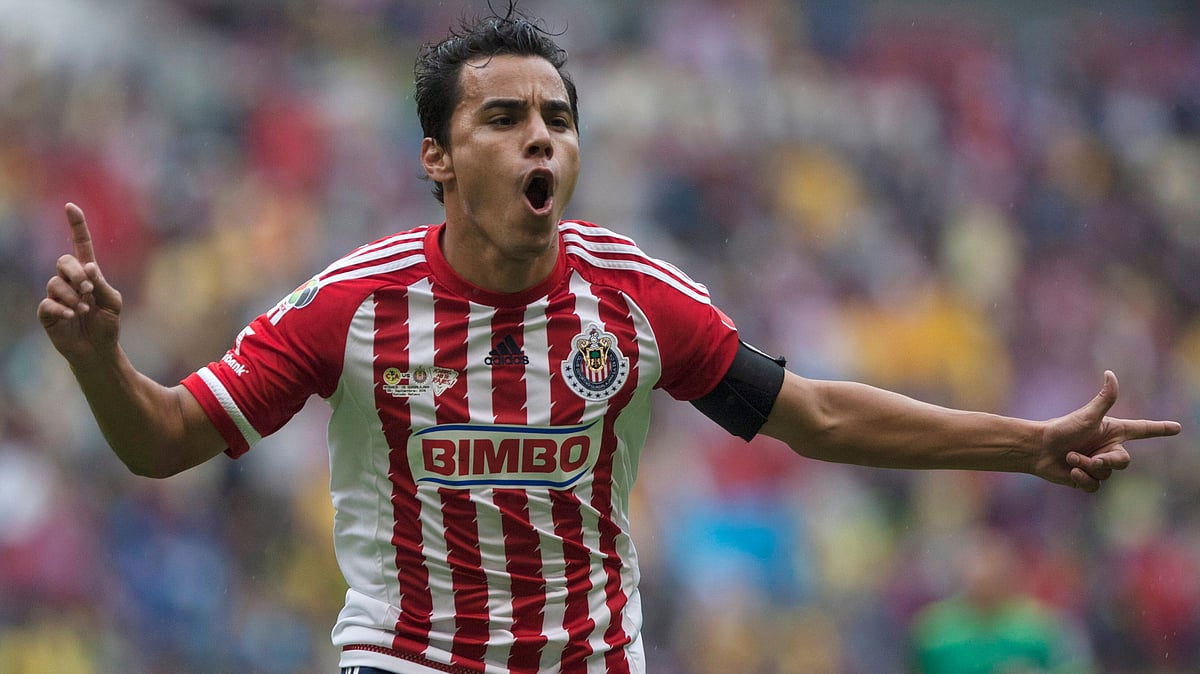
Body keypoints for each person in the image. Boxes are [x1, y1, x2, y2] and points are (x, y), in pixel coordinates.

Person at [37, 7, 1181, 674]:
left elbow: (815, 414)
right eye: (504, 117)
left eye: (558, 118)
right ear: (437, 157)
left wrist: (1024, 442)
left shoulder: (637, 298)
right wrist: (97, 360)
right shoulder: (352, 305)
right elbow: (167, 439)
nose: (541, 137)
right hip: (407, 659)